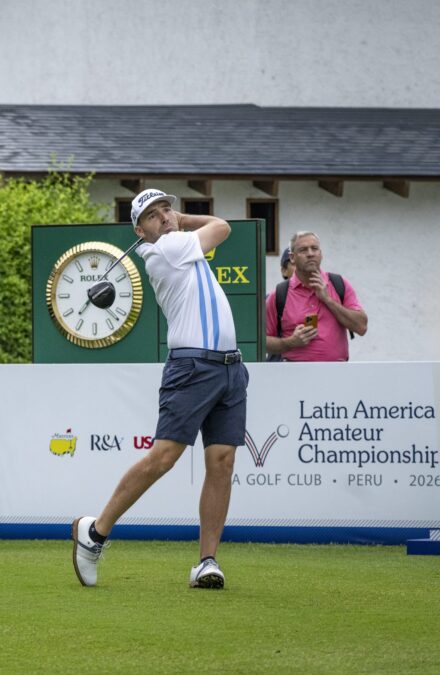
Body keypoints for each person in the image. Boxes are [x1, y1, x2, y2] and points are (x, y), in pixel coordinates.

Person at [72, 189, 248, 590]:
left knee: (221, 463)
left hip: (229, 369)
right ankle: (95, 533)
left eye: (167, 209)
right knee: (163, 458)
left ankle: (207, 562)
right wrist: (185, 220)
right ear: (141, 231)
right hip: (192, 368)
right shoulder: (164, 251)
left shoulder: (180, 249)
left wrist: (177, 219)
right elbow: (222, 227)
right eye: (153, 215)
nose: (165, 217)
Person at [264, 231, 367, 362]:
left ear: (321, 254)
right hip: (293, 375)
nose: (310, 254)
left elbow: (361, 327)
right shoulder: (280, 293)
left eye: (314, 248)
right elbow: (262, 342)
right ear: (292, 257)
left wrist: (328, 300)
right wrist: (290, 343)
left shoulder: (339, 284)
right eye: (303, 250)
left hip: (337, 373)